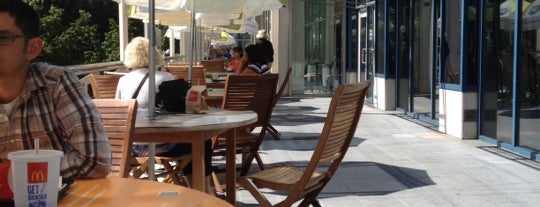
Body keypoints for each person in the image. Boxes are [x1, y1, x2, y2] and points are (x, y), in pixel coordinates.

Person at [0, 0, 111, 179]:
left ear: (32, 48)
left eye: (3, 38)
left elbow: (95, 161)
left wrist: (17, 176)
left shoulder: (56, 84)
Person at [115, 37, 214, 194]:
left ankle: (199, 190)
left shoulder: (122, 80)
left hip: (132, 146)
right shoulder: (165, 78)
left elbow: (119, 113)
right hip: (162, 144)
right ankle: (202, 190)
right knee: (201, 141)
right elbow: (177, 112)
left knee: (194, 142)